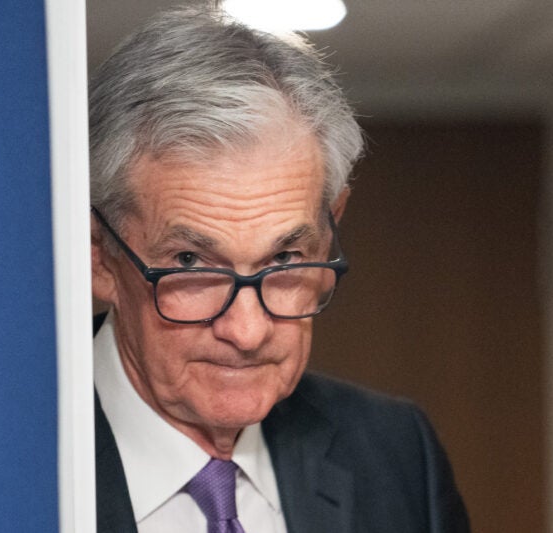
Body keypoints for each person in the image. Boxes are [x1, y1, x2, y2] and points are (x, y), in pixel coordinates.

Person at [89, 6, 469, 532]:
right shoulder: (3, 457)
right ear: (98, 252)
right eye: (190, 262)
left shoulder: (395, 453)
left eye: (285, 259)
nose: (248, 332)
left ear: (331, 228)